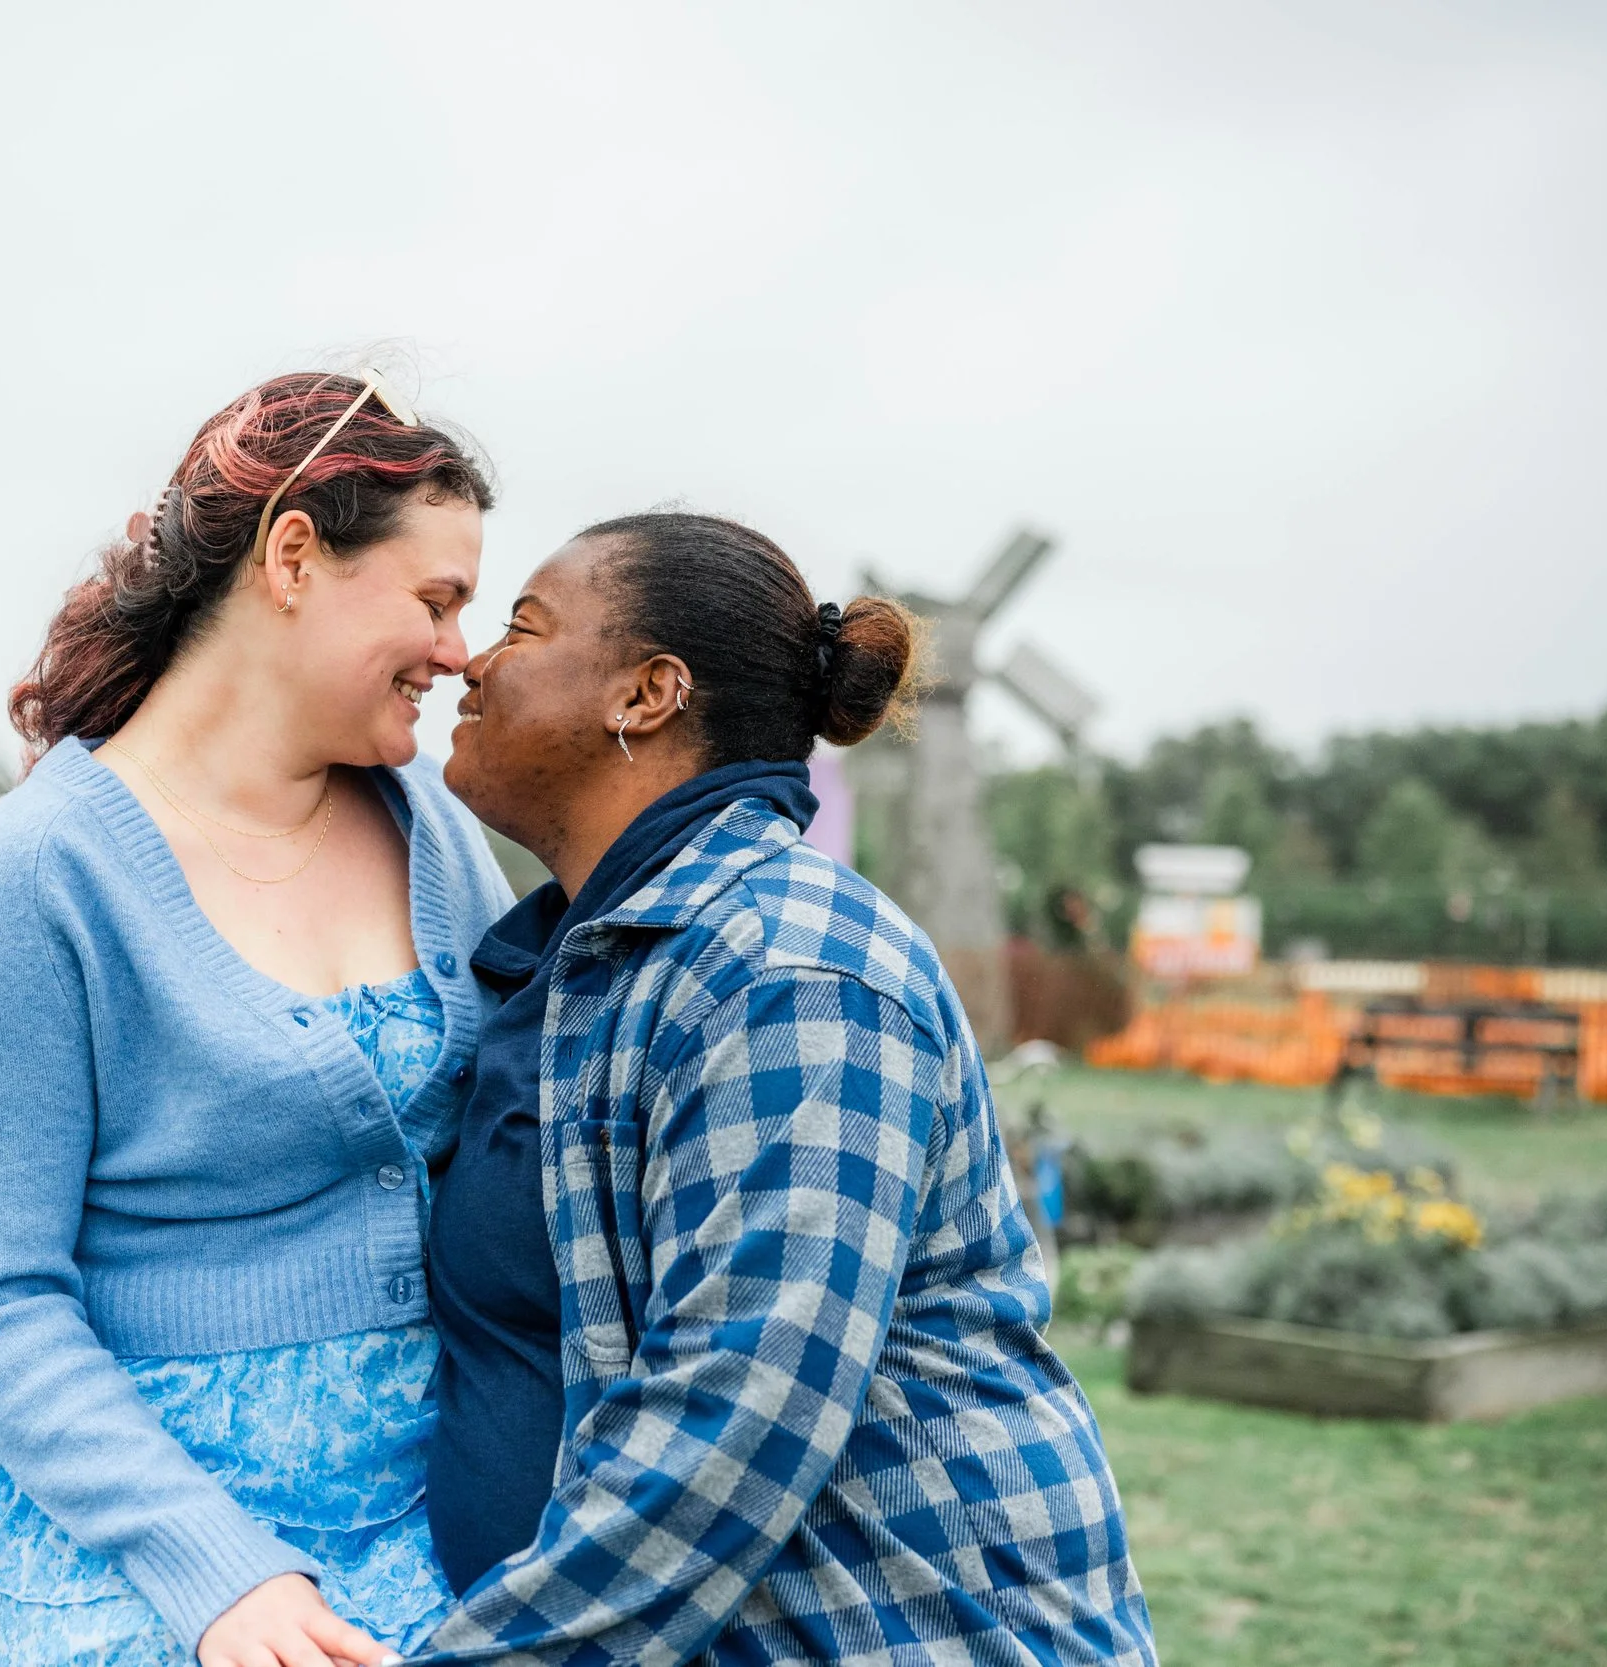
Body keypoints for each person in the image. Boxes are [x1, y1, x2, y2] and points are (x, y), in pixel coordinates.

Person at [420, 511, 1156, 1665]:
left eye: (521, 625)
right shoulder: (596, 956)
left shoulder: (788, 971)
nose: (472, 657)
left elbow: (729, 1432)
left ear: (645, 693)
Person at [0, 371, 516, 1667]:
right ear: (295, 554)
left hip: (425, 1497)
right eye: (435, 599)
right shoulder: (41, 874)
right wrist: (219, 1577)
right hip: (131, 1516)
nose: (460, 650)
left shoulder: (442, 841)